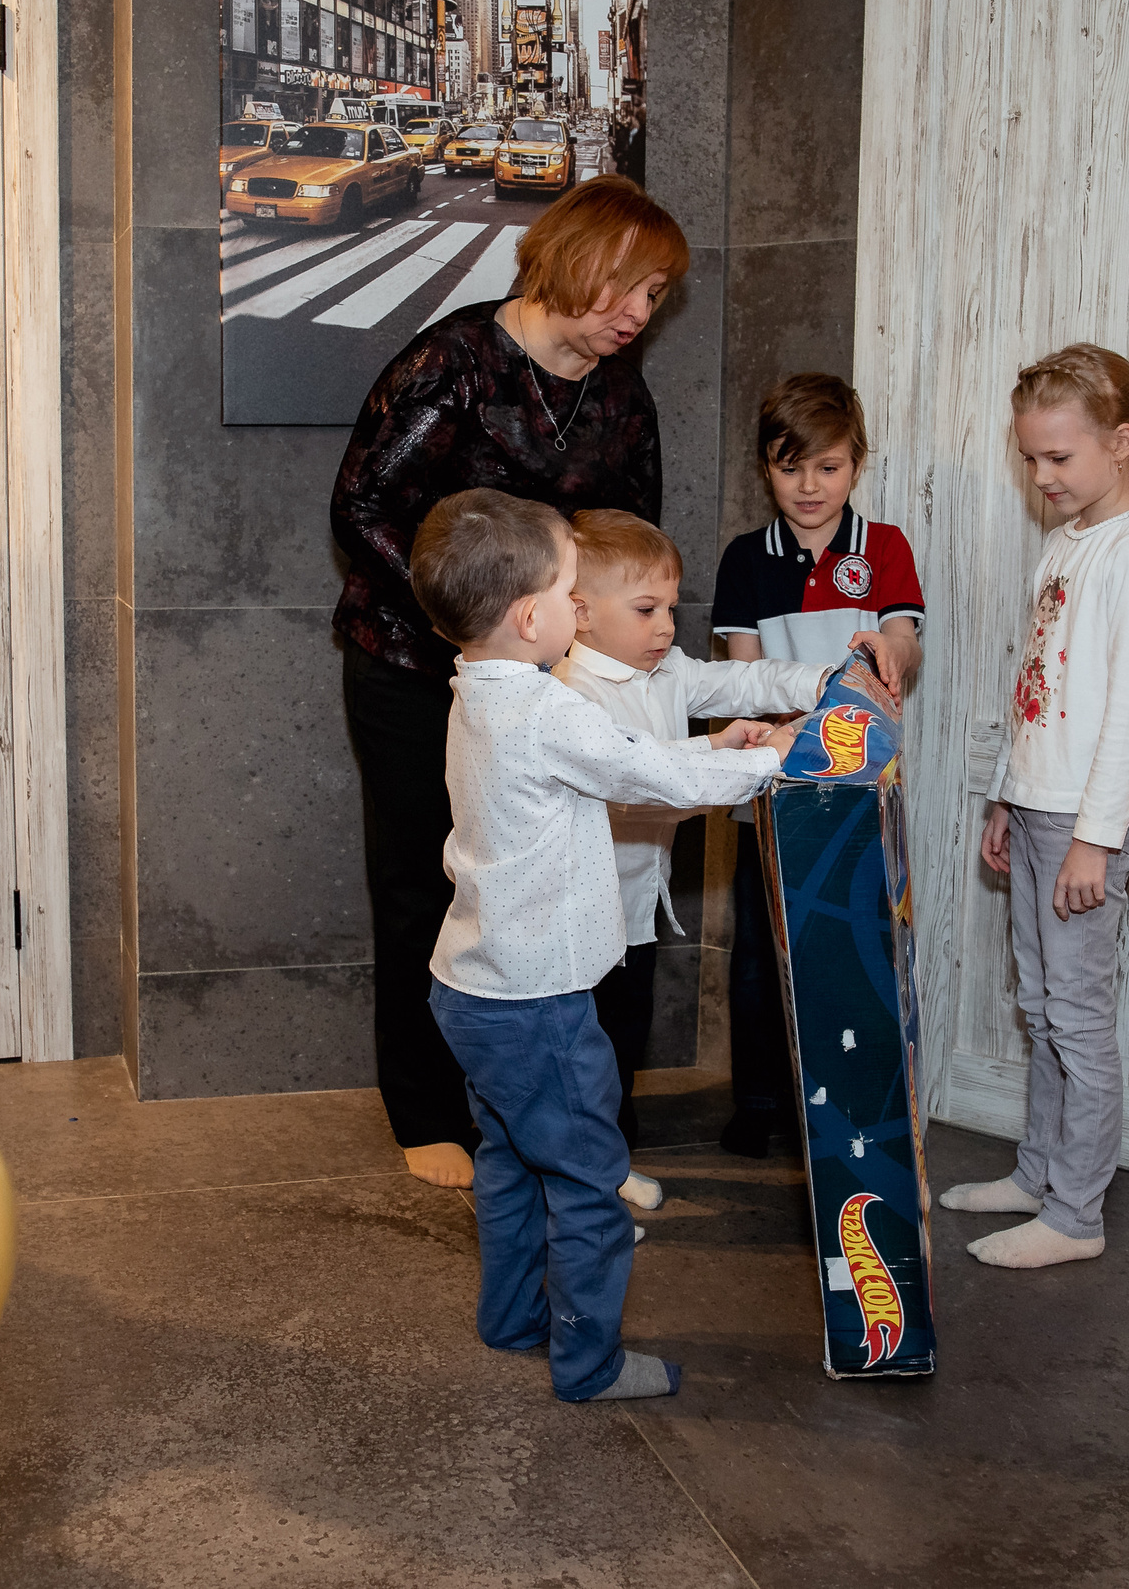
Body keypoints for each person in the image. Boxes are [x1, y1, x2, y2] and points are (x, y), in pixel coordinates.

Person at [331, 176, 688, 1191]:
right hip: (413, 672)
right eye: (625, 286)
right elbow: (362, 508)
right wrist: (478, 626)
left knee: (562, 893)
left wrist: (607, 649)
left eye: (655, 295)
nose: (635, 314)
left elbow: (629, 543)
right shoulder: (452, 363)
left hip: (555, 685)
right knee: (424, 888)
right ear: (566, 260)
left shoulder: (619, 393)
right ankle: (426, 1110)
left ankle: (566, 1114)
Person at [410, 489, 793, 1402]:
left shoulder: (478, 694)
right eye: (572, 589)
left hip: (472, 986)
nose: (580, 607)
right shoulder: (546, 710)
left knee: (508, 1160)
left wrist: (723, 743)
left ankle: (512, 1319)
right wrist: (776, 758)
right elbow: (652, 770)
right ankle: (590, 1364)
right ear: (532, 614)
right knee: (587, 1181)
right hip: (539, 999)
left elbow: (629, 754)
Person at [940, 344, 1129, 1269]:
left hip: (1089, 819)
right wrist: (1008, 792)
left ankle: (1076, 1214)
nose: (1041, 477)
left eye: (1059, 459)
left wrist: (1096, 838)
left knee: (1077, 1015)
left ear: (1120, 443)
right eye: (1029, 459)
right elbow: (1035, 686)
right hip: (1041, 807)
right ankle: (1040, 1174)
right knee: (1041, 1005)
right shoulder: (1066, 542)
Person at [551, 509, 834, 1208]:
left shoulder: (665, 667)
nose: (666, 628)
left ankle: (606, 1172)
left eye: (672, 609)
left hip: (636, 912)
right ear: (580, 613)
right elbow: (648, 786)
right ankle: (582, 1196)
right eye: (646, 609)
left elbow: (735, 685)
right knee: (581, 1064)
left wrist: (823, 680)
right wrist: (740, 752)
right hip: (575, 921)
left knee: (620, 1048)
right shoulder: (570, 696)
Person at [708, 375, 925, 1156]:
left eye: (827, 467)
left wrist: (889, 652)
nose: (809, 485)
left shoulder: (885, 547)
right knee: (763, 955)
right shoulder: (744, 560)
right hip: (771, 789)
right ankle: (760, 1102)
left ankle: (845, 1105)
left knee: (852, 949)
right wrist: (785, 735)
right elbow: (743, 672)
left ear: (856, 464)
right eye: (788, 465)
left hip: (859, 791)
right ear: (766, 466)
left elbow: (905, 636)